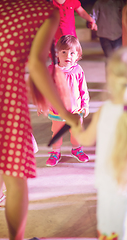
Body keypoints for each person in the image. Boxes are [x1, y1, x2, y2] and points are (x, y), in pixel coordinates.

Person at [0, 0, 80, 239]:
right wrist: (66, 115)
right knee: (16, 180)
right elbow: (37, 65)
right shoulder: (45, 12)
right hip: (7, 99)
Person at [71, 46, 127, 239]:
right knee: (124, 226)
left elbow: (85, 139)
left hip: (107, 184)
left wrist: (75, 126)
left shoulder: (104, 111)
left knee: (108, 229)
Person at [46, 35, 89, 167]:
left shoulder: (78, 70)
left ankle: (76, 149)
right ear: (57, 54)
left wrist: (85, 105)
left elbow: (83, 89)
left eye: (72, 53)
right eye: (63, 52)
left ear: (77, 55)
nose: (67, 56)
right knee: (57, 133)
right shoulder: (52, 71)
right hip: (57, 111)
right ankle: (55, 152)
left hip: (75, 111)